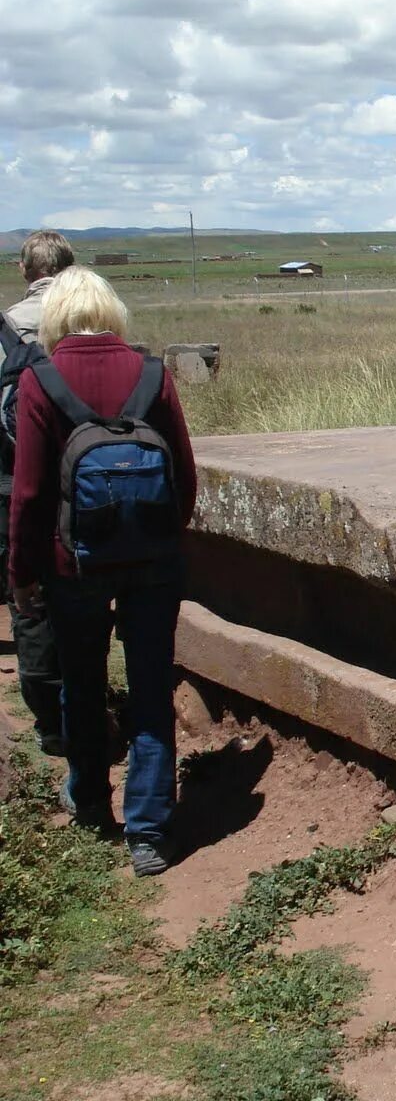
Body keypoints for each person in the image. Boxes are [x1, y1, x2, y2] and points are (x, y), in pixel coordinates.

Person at [9, 267, 197, 875]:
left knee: (83, 682)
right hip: (152, 563)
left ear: (57, 314)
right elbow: (184, 479)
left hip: (74, 565)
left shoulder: (41, 379)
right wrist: (159, 540)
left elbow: (32, 494)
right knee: (149, 685)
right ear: (113, 311)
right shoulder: (151, 375)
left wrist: (24, 573)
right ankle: (148, 832)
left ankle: (90, 798)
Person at [2, 230, 72, 754]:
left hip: (12, 476)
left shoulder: (7, 326)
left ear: (26, 271)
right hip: (86, 476)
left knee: (28, 595)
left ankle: (51, 721)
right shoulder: (90, 317)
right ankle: (90, 698)